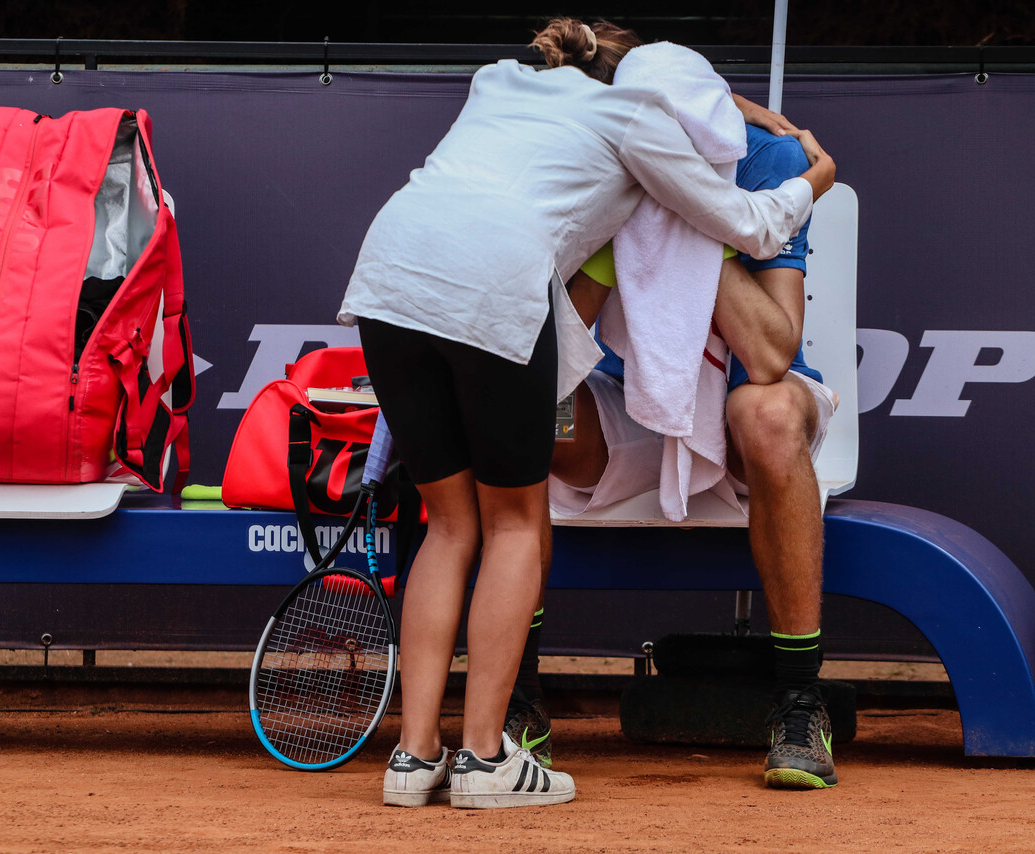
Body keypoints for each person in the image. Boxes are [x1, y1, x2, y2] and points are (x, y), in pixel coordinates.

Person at [338, 17, 832, 809]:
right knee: (511, 526)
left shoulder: (499, 78)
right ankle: (483, 757)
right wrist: (816, 179)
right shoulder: (639, 124)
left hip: (390, 278)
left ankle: (413, 757)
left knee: (449, 526)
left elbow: (640, 90)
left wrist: (749, 115)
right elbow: (742, 217)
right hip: (499, 293)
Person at [509, 117, 840, 791]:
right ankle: (516, 697)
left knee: (768, 414)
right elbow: (563, 348)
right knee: (535, 415)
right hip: (636, 407)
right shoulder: (595, 164)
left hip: (751, 410)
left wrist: (690, 222)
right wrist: (626, 213)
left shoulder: (770, 159)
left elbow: (773, 354)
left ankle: (801, 702)